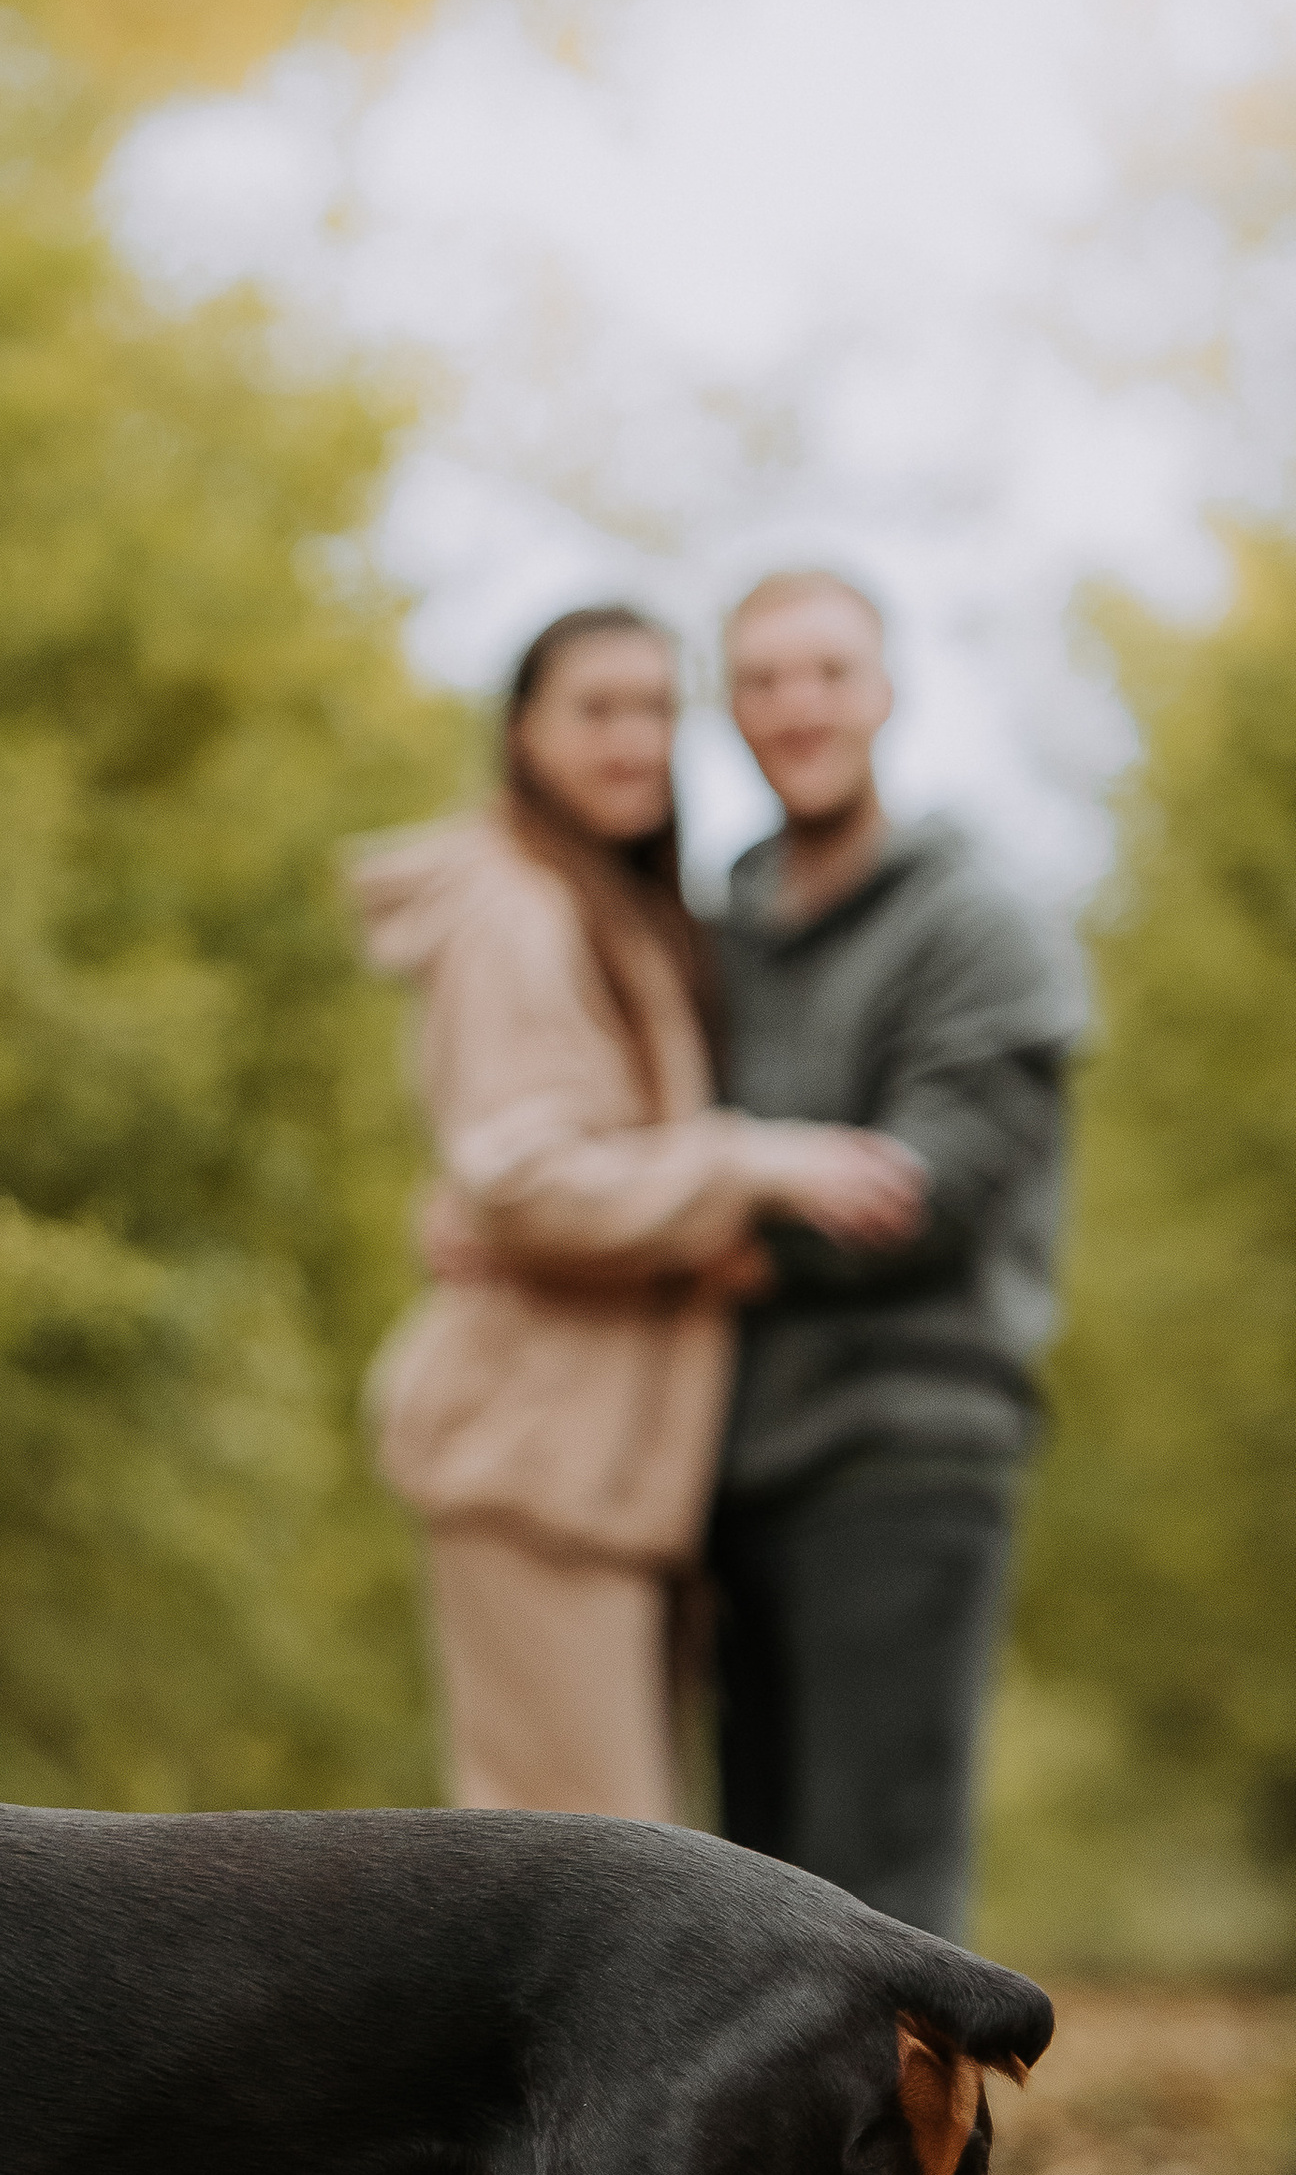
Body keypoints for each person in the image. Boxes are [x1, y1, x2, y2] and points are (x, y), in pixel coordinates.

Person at [353, 606, 924, 1821]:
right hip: (533, 1456)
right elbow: (520, 1180)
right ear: (522, 732)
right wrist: (755, 1167)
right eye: (596, 709)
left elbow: (511, 1175)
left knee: (611, 1876)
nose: (634, 742)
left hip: (603, 1478)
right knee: (573, 1886)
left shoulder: (619, 906)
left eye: (658, 709)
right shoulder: (516, 907)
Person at [710, 569, 1089, 1938]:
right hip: (733, 1458)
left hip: (907, 1445)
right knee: (750, 1897)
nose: (796, 705)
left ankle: (925, 2163)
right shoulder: (723, 928)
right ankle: (795, 2167)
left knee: (881, 1899)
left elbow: (934, 1193)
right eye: (762, 679)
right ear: (733, 707)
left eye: (826, 672)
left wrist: (690, 1243)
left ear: (884, 690)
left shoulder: (975, 920)